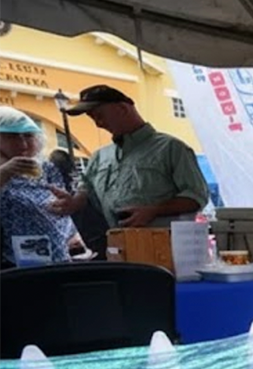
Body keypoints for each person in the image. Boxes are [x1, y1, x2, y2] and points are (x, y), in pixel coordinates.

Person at [48, 85, 209, 229]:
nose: (98, 123)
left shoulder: (171, 148)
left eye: (99, 115)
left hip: (166, 247)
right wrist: (73, 203)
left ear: (123, 109)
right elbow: (86, 192)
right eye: (92, 118)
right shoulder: (99, 157)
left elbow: (196, 197)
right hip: (119, 246)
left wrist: (154, 211)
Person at [0, 107, 80, 268]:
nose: (23, 143)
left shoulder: (47, 168)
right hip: (9, 263)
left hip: (55, 256)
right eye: (11, 137)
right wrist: (4, 172)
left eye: (28, 136)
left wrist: (68, 205)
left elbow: (62, 210)